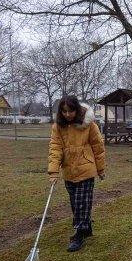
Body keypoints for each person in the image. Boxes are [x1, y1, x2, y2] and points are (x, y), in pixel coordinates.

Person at [48, 95, 105, 252]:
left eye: (71, 111)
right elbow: (55, 149)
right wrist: (53, 171)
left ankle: (79, 235)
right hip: (69, 171)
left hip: (86, 169)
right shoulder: (58, 127)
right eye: (64, 111)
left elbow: (98, 147)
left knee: (82, 203)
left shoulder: (89, 125)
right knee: (75, 204)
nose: (68, 114)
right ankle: (87, 229)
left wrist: (100, 169)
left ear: (77, 110)